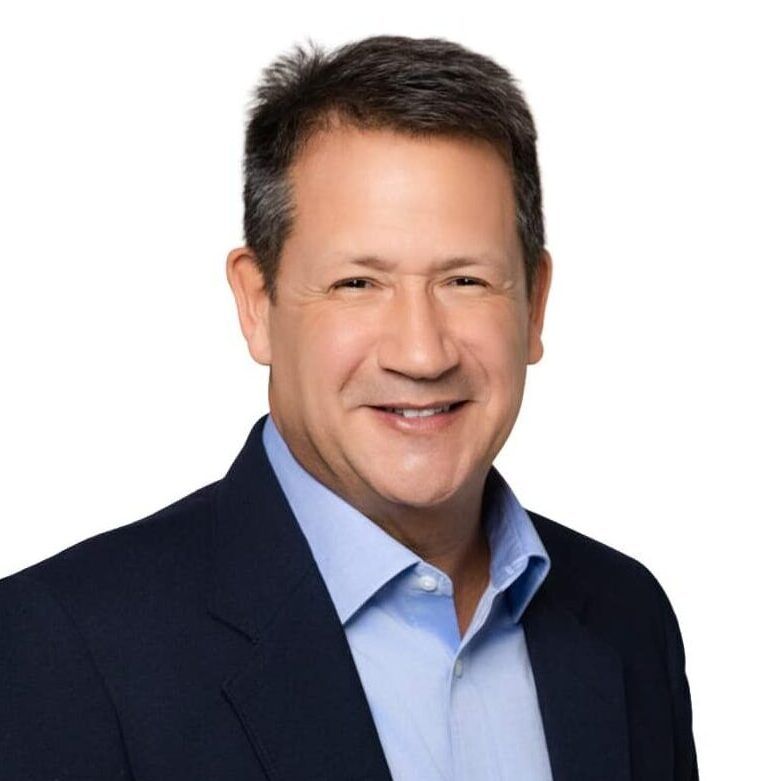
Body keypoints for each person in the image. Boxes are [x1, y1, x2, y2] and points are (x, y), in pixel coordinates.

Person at [0, 35, 697, 780]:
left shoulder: (626, 618)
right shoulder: (62, 648)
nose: (421, 353)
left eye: (465, 281)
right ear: (258, 303)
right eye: (357, 284)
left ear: (534, 304)